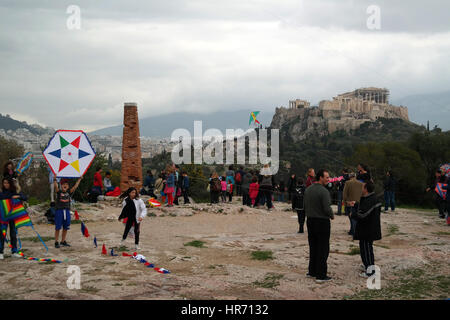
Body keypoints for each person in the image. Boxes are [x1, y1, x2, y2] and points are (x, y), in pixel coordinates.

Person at [304, 169, 334, 283]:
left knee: (313, 246)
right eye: (327, 177)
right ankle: (321, 275)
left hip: (310, 221)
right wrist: (331, 215)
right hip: (322, 222)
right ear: (320, 177)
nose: (328, 179)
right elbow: (327, 208)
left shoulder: (308, 189)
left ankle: (312, 271)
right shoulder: (324, 191)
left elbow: (305, 205)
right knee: (323, 248)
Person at [351, 181, 382, 278]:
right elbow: (362, 208)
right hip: (366, 229)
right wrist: (355, 204)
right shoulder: (368, 198)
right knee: (364, 248)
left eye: (362, 187)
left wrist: (353, 215)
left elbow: (363, 215)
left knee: (367, 250)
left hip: (368, 230)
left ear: (366, 189)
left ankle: (371, 271)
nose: (360, 189)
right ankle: (367, 265)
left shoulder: (371, 200)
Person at [0, 178, 28, 260]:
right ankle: (1, 252)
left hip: (13, 216)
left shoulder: (14, 191)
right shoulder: (1, 192)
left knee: (13, 234)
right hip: (3, 217)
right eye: (4, 183)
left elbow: (25, 197)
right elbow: (3, 196)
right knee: (2, 234)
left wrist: (18, 195)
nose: (6, 184)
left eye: (7, 183)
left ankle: (14, 251)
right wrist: (12, 196)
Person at [53, 177, 82, 248]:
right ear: (61, 185)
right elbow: (56, 186)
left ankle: (63, 241)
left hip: (67, 211)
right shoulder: (59, 192)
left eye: (66, 184)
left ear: (68, 186)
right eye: (63, 184)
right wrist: (54, 180)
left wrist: (79, 179)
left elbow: (75, 187)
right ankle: (56, 242)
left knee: (66, 227)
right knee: (58, 227)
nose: (65, 185)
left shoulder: (69, 192)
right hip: (59, 211)